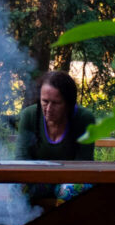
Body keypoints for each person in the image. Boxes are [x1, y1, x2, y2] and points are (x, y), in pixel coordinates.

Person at [15, 69, 94, 203]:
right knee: (16, 186)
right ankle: (18, 224)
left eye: (56, 103)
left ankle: (60, 224)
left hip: (72, 180)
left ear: (69, 104)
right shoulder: (29, 115)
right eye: (45, 101)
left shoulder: (83, 118)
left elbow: (84, 163)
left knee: (70, 189)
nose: (49, 109)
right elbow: (21, 159)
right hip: (37, 180)